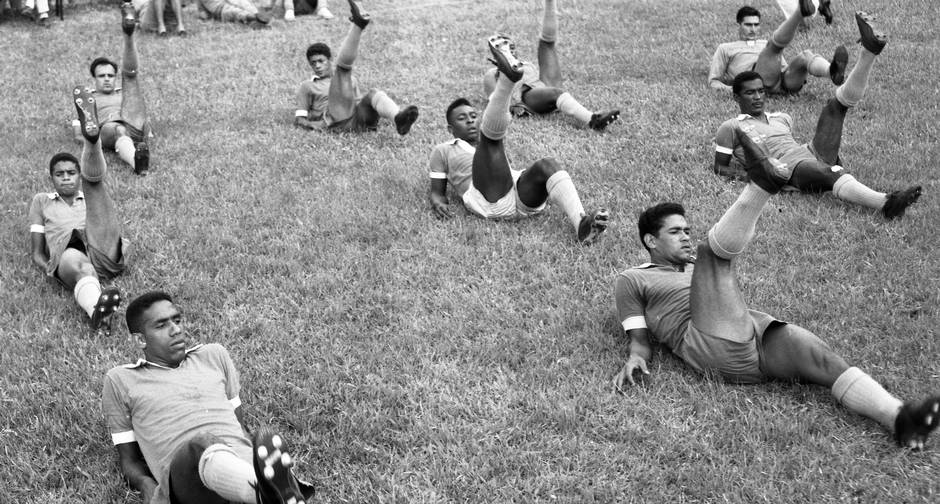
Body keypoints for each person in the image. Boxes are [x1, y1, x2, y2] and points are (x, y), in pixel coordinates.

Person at [612, 137, 940, 450]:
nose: (684, 237)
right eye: (674, 232)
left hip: (751, 329)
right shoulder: (632, 279)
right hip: (703, 340)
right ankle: (761, 186)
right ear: (651, 241)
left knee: (822, 359)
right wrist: (637, 358)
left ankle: (900, 419)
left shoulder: (694, 266)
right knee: (713, 255)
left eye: (686, 230)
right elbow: (639, 337)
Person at [102, 291, 316, 504]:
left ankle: (261, 488)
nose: (176, 330)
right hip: (188, 484)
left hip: (240, 466)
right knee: (201, 444)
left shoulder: (213, 355)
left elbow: (238, 426)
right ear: (140, 339)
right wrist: (146, 485)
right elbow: (129, 459)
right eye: (161, 325)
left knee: (238, 445)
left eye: (177, 320)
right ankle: (266, 493)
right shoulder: (121, 379)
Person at [714, 12, 921, 220]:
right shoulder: (731, 126)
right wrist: (750, 176)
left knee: (836, 106)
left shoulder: (781, 118)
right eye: (750, 93)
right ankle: (886, 203)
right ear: (736, 97)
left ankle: (870, 51)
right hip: (786, 167)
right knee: (830, 173)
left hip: (808, 151)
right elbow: (720, 167)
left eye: (760, 91)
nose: (758, 97)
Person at [428, 35, 609, 244]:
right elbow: (437, 192)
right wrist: (438, 201)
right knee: (492, 140)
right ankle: (507, 79)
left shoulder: (487, 150)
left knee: (547, 165)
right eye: (462, 118)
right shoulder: (444, 149)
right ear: (450, 129)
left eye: (473, 116)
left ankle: (582, 225)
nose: (469, 121)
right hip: (486, 199)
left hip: (517, 194)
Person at [30, 90, 129, 333]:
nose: (65, 179)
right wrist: (51, 268)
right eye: (59, 174)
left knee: (94, 185)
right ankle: (97, 310)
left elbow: (106, 225)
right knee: (81, 266)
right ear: (51, 178)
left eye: (71, 173)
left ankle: (92, 142)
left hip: (101, 246)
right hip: (69, 250)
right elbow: (37, 251)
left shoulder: (85, 198)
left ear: (76, 175)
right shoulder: (42, 200)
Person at [481, 0, 619, 131]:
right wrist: (515, 105)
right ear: (495, 54)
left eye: (510, 46)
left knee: (547, 44)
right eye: (501, 48)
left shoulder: (526, 65)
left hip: (543, 89)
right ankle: (591, 119)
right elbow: (496, 104)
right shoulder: (492, 74)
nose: (509, 51)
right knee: (555, 92)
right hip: (527, 99)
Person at [294, 0, 419, 135]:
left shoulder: (351, 81)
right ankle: (358, 25)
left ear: (330, 60)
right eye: (313, 63)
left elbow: (359, 104)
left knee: (373, 94)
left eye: (320, 61)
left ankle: (398, 118)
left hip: (356, 121)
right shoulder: (307, 86)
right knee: (343, 71)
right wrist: (315, 125)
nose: (317, 66)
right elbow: (300, 120)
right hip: (334, 123)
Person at [73, 3, 152, 176]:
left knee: (131, 78)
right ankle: (136, 162)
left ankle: (128, 35)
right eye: (102, 76)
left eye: (110, 75)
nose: (107, 79)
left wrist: (148, 131)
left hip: (132, 123)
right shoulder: (88, 98)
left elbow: (142, 117)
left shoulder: (122, 92)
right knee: (118, 130)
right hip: (108, 129)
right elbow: (79, 133)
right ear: (94, 79)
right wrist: (93, 142)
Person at [708, 3, 846, 94]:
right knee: (773, 48)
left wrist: (796, 70)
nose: (753, 29)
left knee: (806, 55)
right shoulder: (725, 48)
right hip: (756, 82)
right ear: (739, 24)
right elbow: (713, 82)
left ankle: (832, 72)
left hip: (784, 84)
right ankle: (799, 12)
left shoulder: (763, 43)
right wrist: (736, 89)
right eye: (748, 25)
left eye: (756, 25)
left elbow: (784, 67)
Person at [197, 0, 271, 28]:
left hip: (221, 11)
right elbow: (203, 14)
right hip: (222, 9)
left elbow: (203, 14)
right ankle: (254, 16)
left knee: (235, 12)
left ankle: (253, 18)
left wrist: (206, 18)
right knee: (236, 10)